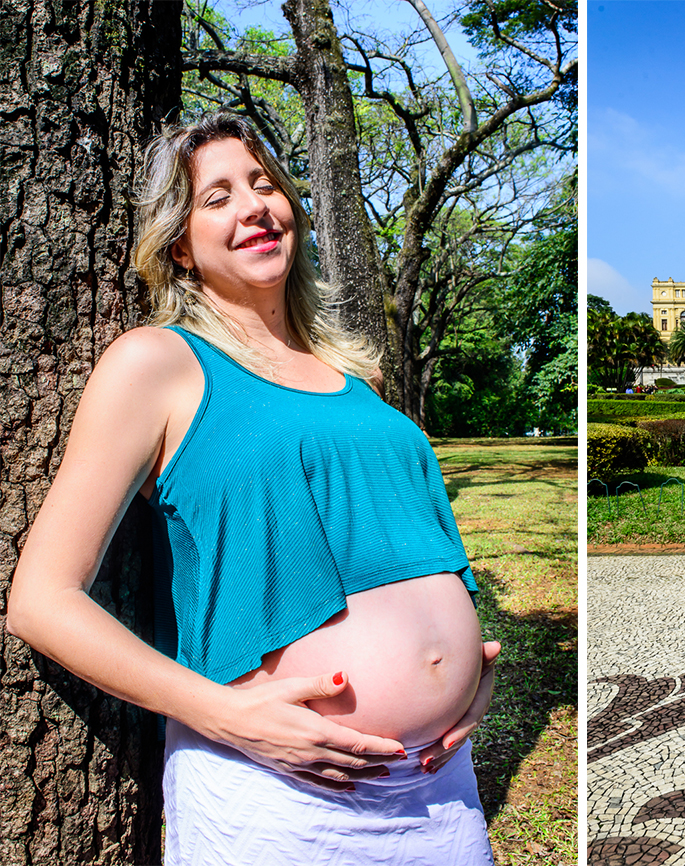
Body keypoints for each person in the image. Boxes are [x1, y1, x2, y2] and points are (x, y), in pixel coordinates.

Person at [6, 113, 499, 864]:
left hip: (438, 787)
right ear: (178, 244)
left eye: (265, 185)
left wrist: (471, 673)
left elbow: (413, 560)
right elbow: (41, 600)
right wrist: (227, 716)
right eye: (218, 197)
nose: (254, 207)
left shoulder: (354, 379)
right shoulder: (158, 363)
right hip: (282, 796)